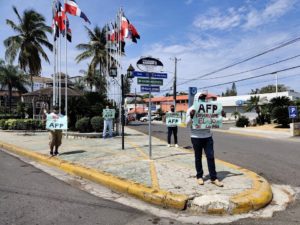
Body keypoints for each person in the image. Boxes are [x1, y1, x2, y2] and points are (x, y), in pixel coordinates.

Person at [186, 92, 223, 187]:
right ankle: (199, 176)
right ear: (196, 98)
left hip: (208, 136)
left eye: (204, 98)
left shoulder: (209, 109)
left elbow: (214, 119)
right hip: (196, 137)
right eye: (201, 97)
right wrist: (191, 116)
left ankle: (213, 178)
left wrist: (220, 115)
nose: (203, 99)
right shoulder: (191, 109)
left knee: (210, 157)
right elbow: (187, 124)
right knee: (198, 158)